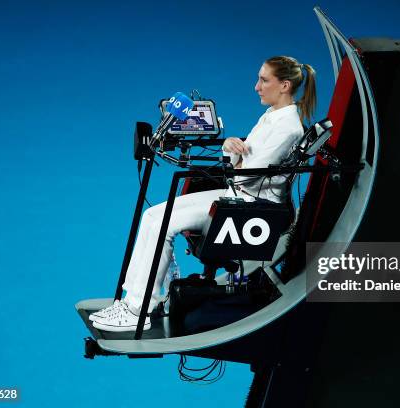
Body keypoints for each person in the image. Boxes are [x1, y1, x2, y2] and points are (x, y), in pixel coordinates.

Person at [90, 56, 317, 332]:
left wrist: (233, 152)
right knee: (152, 214)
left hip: (252, 204)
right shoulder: (271, 115)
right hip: (237, 191)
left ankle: (139, 310)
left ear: (284, 85)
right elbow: (245, 159)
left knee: (165, 225)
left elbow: (250, 171)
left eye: (264, 80)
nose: (257, 87)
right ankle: (130, 302)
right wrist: (231, 146)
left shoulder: (288, 126)